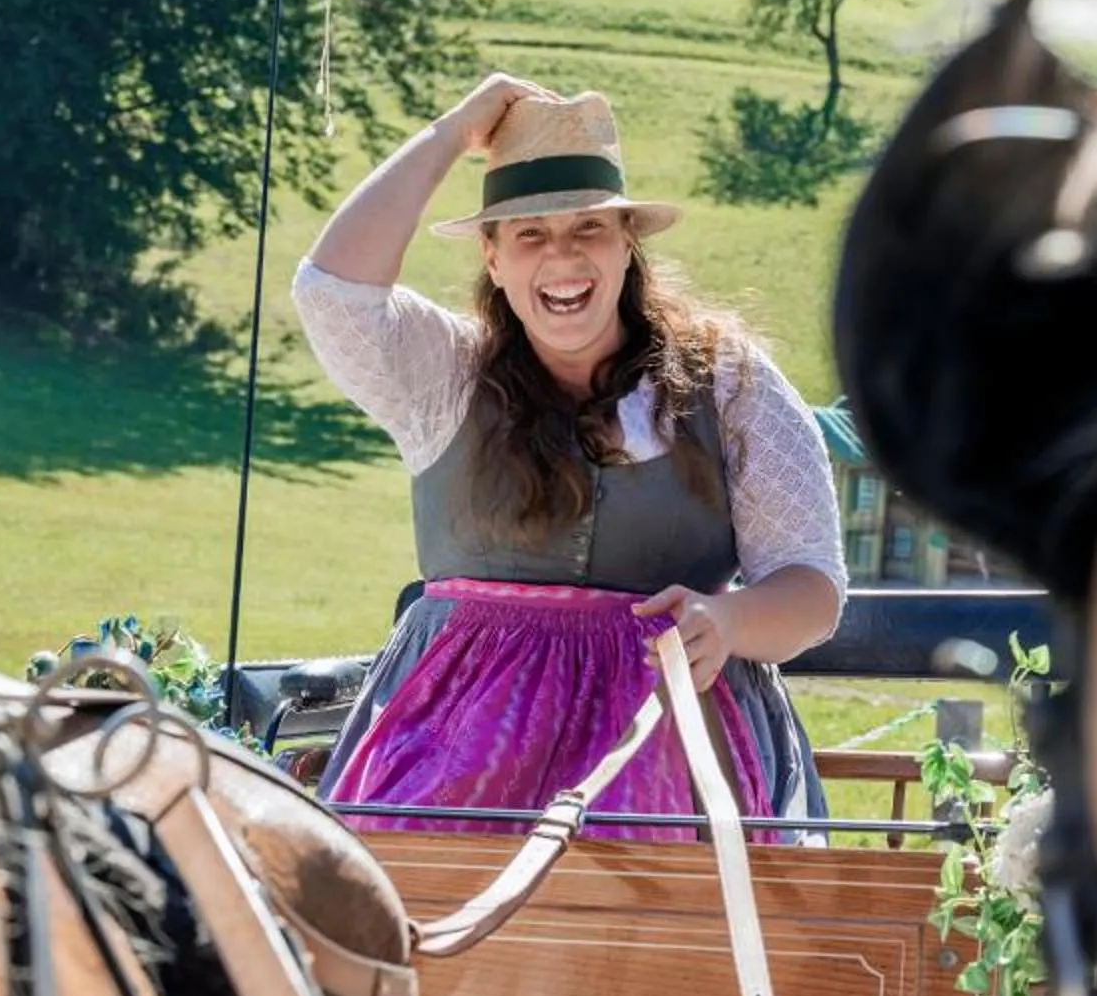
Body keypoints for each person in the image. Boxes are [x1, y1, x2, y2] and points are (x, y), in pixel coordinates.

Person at [293, 75, 846, 836]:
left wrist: (727, 619)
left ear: (627, 244)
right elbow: (329, 291)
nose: (562, 258)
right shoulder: (446, 375)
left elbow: (811, 589)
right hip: (454, 757)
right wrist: (452, 132)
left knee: (655, 918)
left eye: (588, 228)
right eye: (529, 234)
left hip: (668, 737)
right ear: (492, 258)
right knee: (406, 909)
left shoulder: (728, 383)